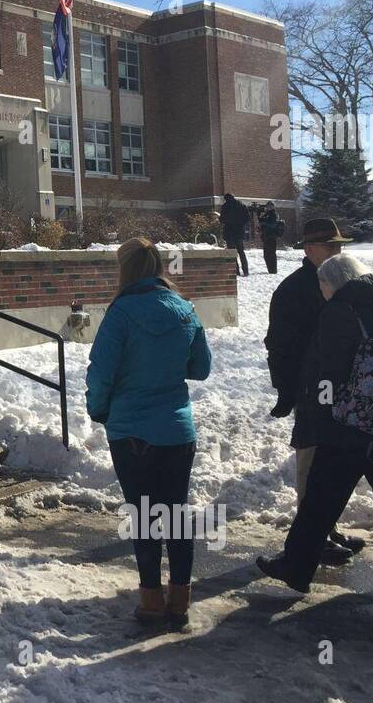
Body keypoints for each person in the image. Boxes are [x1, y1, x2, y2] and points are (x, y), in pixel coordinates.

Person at [257, 254, 373, 617]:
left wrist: (315, 414)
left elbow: (329, 373)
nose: (321, 291)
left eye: (322, 285)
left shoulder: (339, 311)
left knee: (320, 501)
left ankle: (295, 567)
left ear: (332, 283)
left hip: (349, 429)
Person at [86, 238, 213, 628]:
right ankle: (180, 599)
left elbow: (101, 372)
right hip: (176, 429)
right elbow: (201, 367)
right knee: (175, 513)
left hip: (131, 430)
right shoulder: (184, 310)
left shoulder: (120, 313)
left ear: (125, 269)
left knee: (142, 517)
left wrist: (99, 409)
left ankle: (151, 600)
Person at [264, 217, 361, 566]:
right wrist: (286, 390)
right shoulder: (294, 290)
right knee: (312, 461)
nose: (337, 251)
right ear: (308, 250)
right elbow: (278, 344)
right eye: (330, 246)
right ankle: (312, 538)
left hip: (346, 388)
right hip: (311, 389)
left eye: (340, 246)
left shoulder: (349, 282)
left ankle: (326, 529)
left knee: (333, 462)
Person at [219, 192, 250, 277]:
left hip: (229, 232)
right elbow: (247, 218)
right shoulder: (241, 205)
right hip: (239, 232)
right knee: (241, 252)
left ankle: (236, 271)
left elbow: (222, 219)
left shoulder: (225, 206)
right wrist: (241, 224)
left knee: (232, 252)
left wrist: (226, 221)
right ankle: (246, 271)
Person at [258, 202, 284, 275]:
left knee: (271, 254)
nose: (268, 208)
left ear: (272, 207)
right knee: (266, 254)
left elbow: (273, 224)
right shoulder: (267, 214)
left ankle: (273, 271)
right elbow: (262, 222)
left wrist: (263, 223)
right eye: (267, 207)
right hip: (266, 237)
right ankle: (271, 270)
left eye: (269, 206)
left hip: (271, 237)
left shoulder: (273, 214)